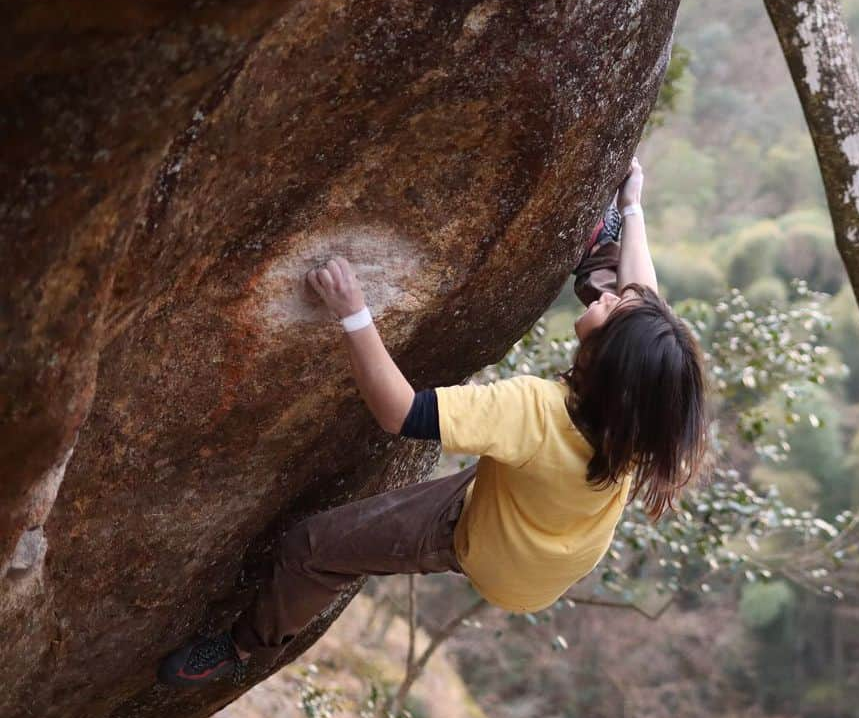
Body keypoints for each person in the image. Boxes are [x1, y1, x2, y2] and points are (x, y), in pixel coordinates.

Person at [159, 156, 708, 686]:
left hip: (495, 553)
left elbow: (401, 412)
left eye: (614, 308)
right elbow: (642, 300)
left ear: (606, 365)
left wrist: (354, 313)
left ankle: (241, 647)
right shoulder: (646, 414)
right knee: (622, 300)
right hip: (558, 533)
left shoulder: (532, 411)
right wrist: (630, 207)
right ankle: (599, 254)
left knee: (310, 547)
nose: (614, 299)